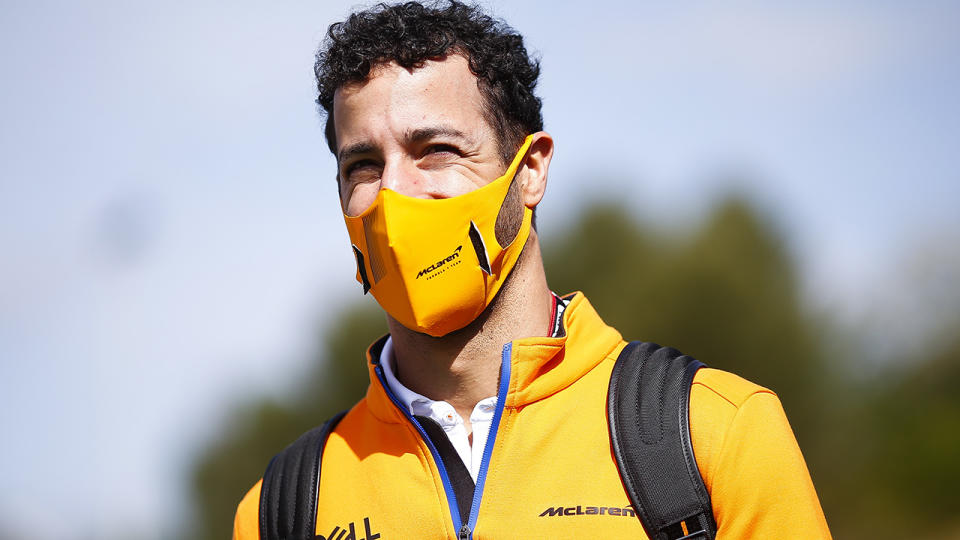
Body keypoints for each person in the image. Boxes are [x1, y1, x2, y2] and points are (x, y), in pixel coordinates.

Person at [233, 2, 832, 538]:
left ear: (531, 171)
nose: (394, 192)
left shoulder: (713, 434)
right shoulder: (281, 511)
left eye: (435, 150)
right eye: (362, 165)